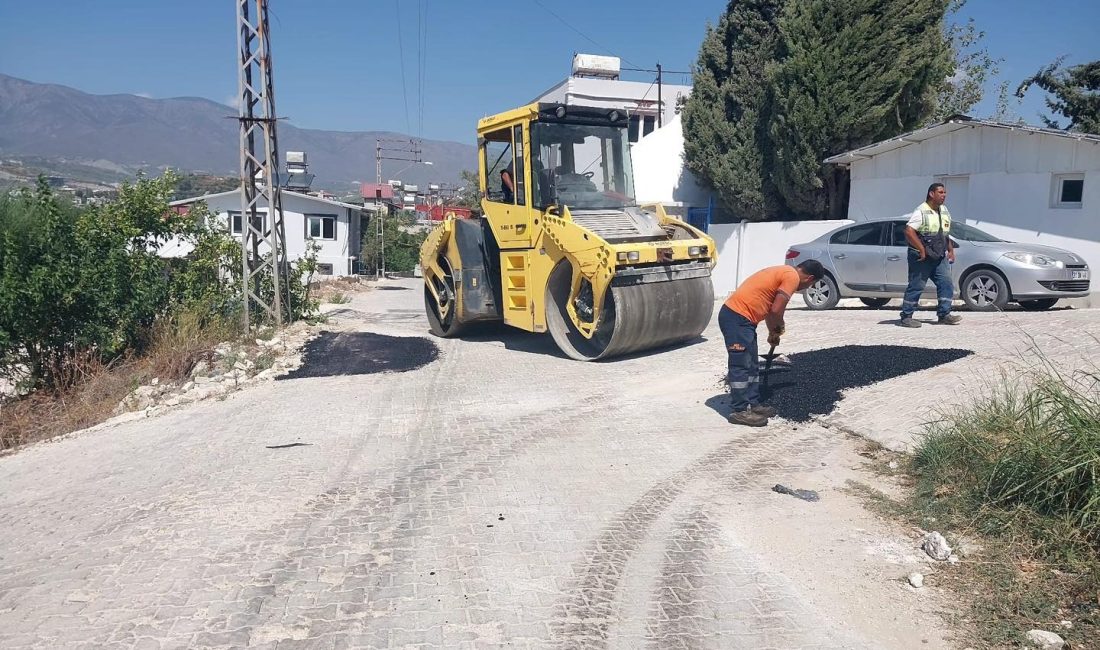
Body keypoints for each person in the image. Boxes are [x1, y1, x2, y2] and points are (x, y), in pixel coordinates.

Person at [720, 260, 825, 427]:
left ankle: (753, 404)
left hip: (744, 320)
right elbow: (777, 310)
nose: (806, 288)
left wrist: (773, 333)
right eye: (811, 284)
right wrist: (779, 327)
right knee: (740, 365)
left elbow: (770, 311)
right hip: (736, 318)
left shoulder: (784, 272)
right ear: (810, 278)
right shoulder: (792, 277)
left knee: (752, 364)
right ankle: (738, 410)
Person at [899, 183, 962, 328]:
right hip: (922, 257)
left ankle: (944, 315)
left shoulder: (944, 210)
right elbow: (909, 231)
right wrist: (921, 249)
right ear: (931, 194)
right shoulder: (921, 211)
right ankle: (906, 316)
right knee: (916, 285)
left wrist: (950, 249)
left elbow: (944, 233)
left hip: (938, 255)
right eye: (940, 192)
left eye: (945, 192)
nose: (944, 195)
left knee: (946, 283)